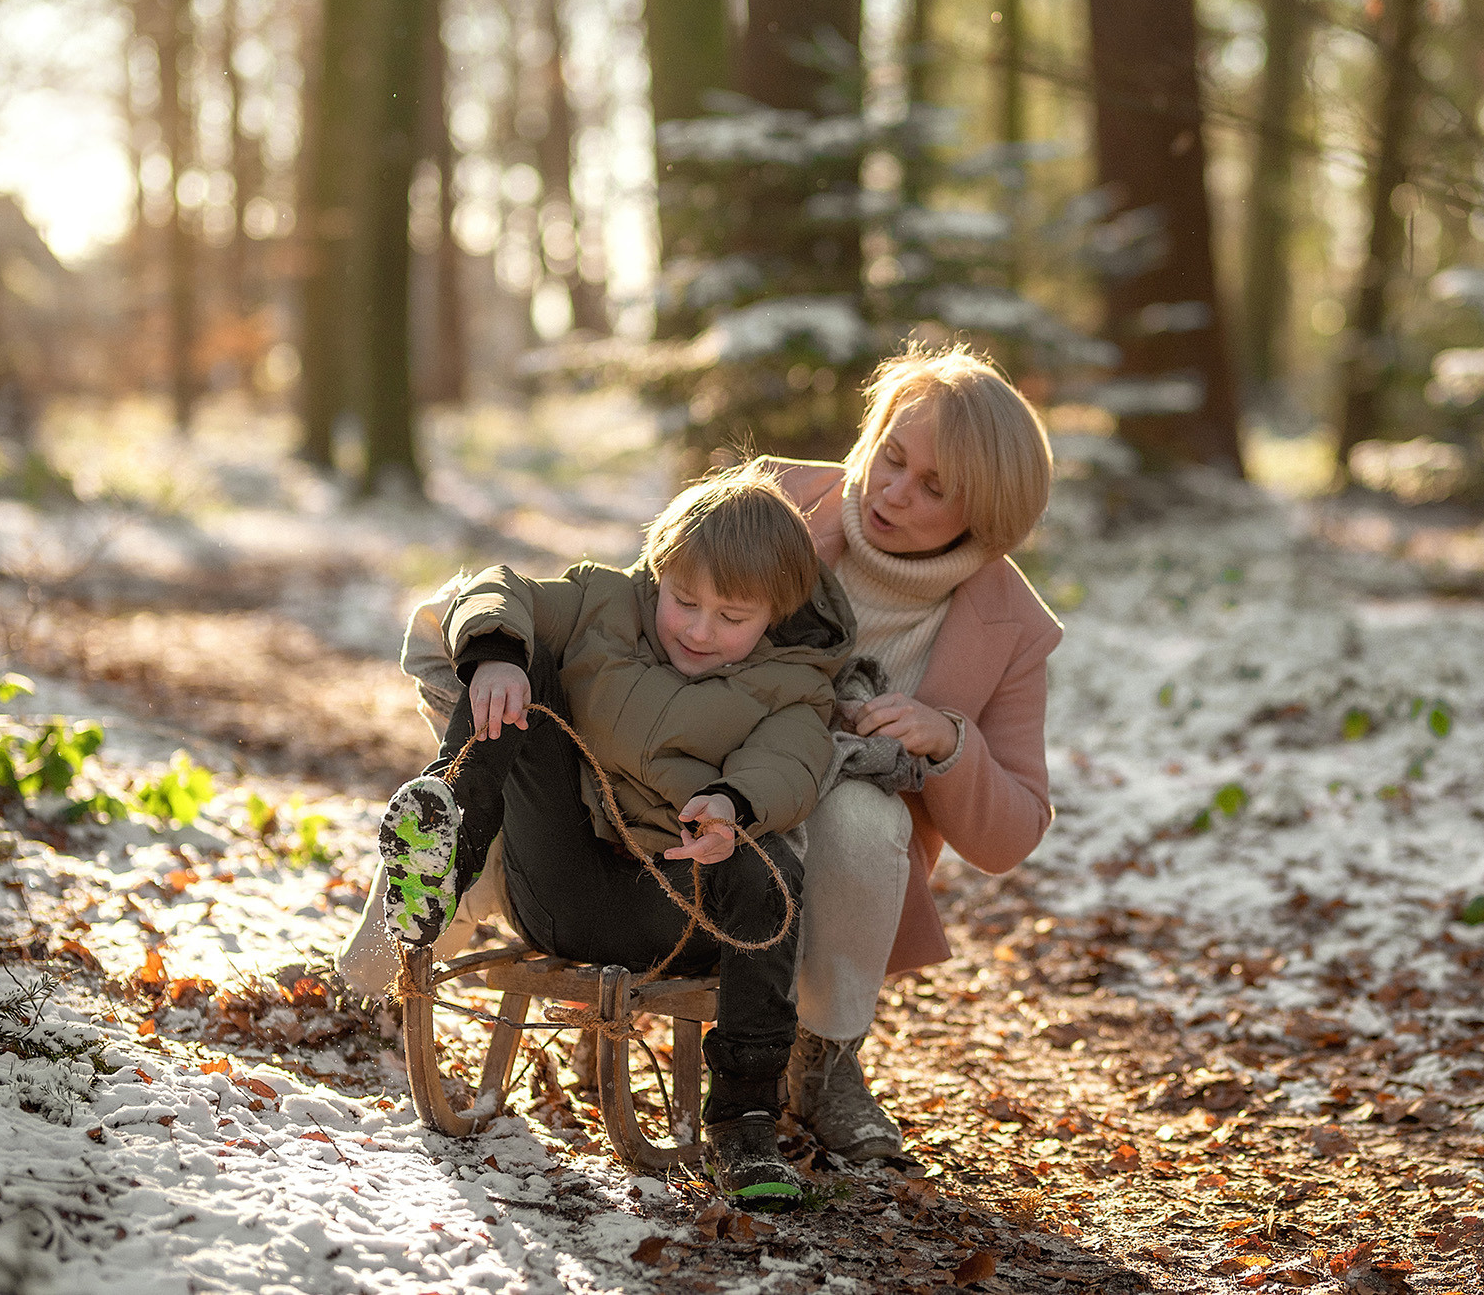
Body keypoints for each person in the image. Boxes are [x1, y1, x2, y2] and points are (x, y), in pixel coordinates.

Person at [350, 462, 855, 1206]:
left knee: (770, 868)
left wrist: (731, 805)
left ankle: (746, 1120)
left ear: (774, 614)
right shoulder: (605, 602)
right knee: (524, 669)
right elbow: (500, 587)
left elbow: (790, 763)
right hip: (558, 880)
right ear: (660, 570)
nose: (699, 628)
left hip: (673, 908)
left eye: (732, 616)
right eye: (685, 600)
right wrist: (494, 655)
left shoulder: (794, 683)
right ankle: (445, 845)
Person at [768, 344, 1062, 1161]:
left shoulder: (1013, 625)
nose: (894, 491)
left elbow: (1014, 832)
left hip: (845, 832)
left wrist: (951, 743)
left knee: (861, 813)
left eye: (935, 487)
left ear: (987, 513)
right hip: (714, 769)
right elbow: (639, 626)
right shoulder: (777, 501)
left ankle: (825, 1059)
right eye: (892, 457)